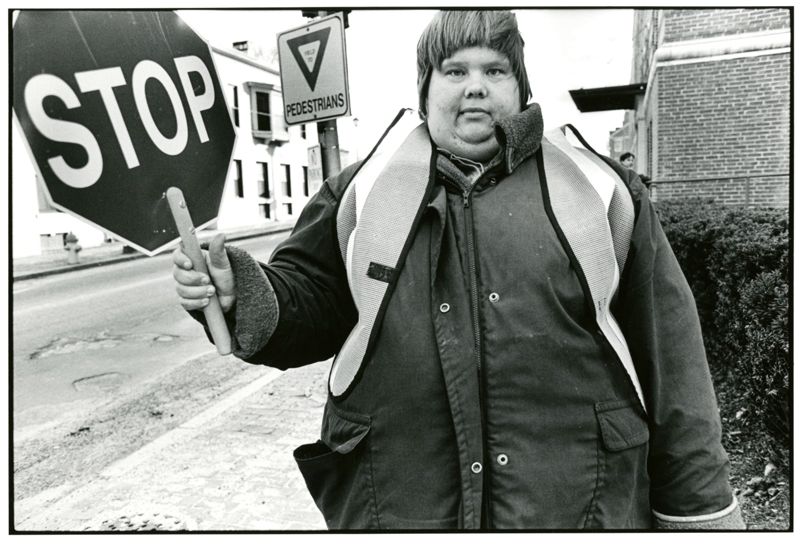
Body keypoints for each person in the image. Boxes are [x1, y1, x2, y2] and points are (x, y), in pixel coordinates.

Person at [172, 10, 743, 530]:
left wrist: (698, 514)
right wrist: (239, 293)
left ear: (521, 90)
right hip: (401, 508)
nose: (475, 85)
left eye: (495, 70)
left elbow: (672, 360)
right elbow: (310, 299)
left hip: (577, 510)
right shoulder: (362, 190)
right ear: (425, 89)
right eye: (453, 70)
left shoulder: (601, 189)